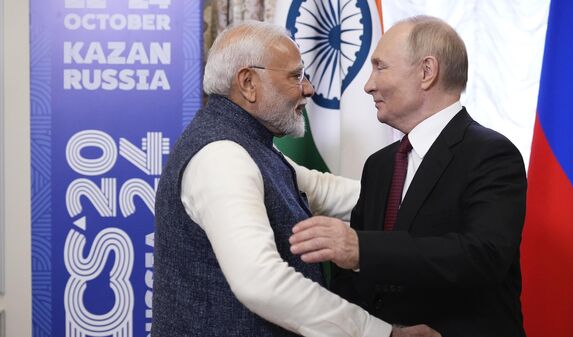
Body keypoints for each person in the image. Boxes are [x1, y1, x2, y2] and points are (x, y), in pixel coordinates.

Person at [152, 20, 440, 337]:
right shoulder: (223, 156)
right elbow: (260, 282)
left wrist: (438, 198)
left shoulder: (246, 146)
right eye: (295, 76)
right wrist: (381, 333)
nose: (308, 89)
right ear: (248, 83)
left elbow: (326, 191)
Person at [289, 15, 527, 337]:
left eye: (380, 67)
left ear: (427, 72)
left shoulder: (491, 154)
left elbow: (482, 256)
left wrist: (362, 249)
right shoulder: (379, 165)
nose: (368, 84)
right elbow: (351, 280)